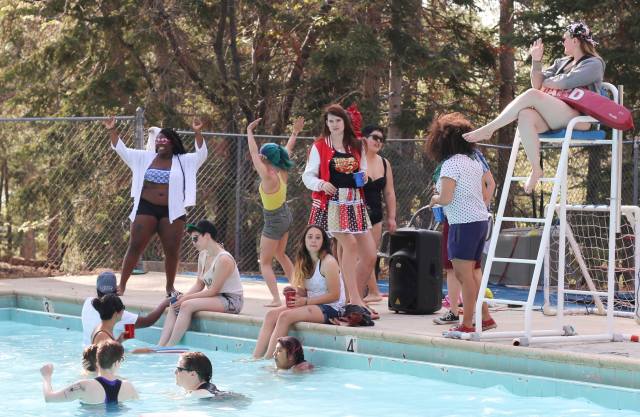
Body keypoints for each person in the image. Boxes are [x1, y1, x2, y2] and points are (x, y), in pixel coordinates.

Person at [463, 21, 605, 194]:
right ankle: (536, 168)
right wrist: (536, 62)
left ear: (575, 40)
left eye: (565, 38)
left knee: (531, 94)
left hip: (579, 118)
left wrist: (547, 83)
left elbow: (565, 82)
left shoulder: (594, 63)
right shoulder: (561, 62)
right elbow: (539, 83)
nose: (563, 42)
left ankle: (489, 129)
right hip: (557, 114)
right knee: (525, 115)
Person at [104, 116, 208, 296]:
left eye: (163, 141)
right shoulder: (145, 157)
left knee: (172, 250)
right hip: (146, 207)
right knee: (135, 245)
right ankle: (122, 285)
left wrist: (198, 132)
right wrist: (112, 130)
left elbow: (201, 154)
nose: (159, 144)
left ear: (172, 144)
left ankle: (170, 288)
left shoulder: (184, 160)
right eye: (158, 141)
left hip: (172, 211)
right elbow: (122, 150)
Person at [426, 113, 496, 333]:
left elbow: (446, 198)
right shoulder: (473, 162)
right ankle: (485, 317)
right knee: (474, 273)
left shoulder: (450, 165)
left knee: (463, 276)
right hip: (478, 221)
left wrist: (434, 199)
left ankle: (466, 324)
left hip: (462, 224)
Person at [302, 104, 376, 307]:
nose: (334, 124)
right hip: (331, 205)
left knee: (370, 253)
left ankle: (352, 297)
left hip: (354, 204)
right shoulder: (319, 146)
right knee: (350, 245)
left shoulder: (358, 145)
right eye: (330, 120)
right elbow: (307, 176)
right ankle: (354, 300)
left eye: (338, 120)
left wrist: (364, 178)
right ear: (326, 123)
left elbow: (364, 171)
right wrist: (322, 184)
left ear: (345, 122)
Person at [252, 224, 345, 359]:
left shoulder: (328, 262)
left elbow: (335, 295)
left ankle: (269, 359)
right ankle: (255, 358)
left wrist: (306, 301)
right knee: (271, 315)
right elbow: (303, 292)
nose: (313, 240)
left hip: (332, 307)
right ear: (304, 241)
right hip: (311, 303)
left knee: (285, 317)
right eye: (310, 237)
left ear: (324, 242)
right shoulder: (303, 261)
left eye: (318, 238)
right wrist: (294, 293)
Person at [246, 116, 304, 307]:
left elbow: (253, 153)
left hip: (273, 220)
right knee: (281, 254)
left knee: (264, 262)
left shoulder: (267, 177)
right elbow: (287, 149)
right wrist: (295, 132)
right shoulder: (282, 170)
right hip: (285, 215)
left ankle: (276, 298)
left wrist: (249, 131)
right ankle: (298, 289)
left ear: (266, 159)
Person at [158, 220, 244, 346]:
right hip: (216, 297)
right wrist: (182, 297)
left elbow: (213, 290)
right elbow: (199, 284)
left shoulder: (224, 259)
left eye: (195, 239)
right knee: (175, 303)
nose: (193, 243)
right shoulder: (203, 255)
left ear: (207, 236)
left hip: (231, 300)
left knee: (186, 305)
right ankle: (160, 346)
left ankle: (170, 346)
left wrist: (186, 298)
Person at [81, 271, 170, 346]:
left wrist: (120, 340)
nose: (122, 311)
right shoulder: (117, 313)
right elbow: (148, 321)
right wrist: (165, 303)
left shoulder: (88, 302)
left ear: (97, 290)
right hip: (106, 357)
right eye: (122, 310)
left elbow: (102, 347)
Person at [361, 125, 397, 303]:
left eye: (381, 140)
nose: (378, 142)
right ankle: (369, 291)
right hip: (357, 213)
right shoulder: (355, 160)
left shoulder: (384, 163)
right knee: (362, 254)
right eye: (375, 137)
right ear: (364, 138)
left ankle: (371, 291)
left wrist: (391, 217)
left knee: (370, 255)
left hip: (375, 215)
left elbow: (389, 192)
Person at [40, 340, 138, 405]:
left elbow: (49, 398)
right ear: (117, 363)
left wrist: (46, 376)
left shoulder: (83, 386)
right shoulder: (129, 387)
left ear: (97, 360)